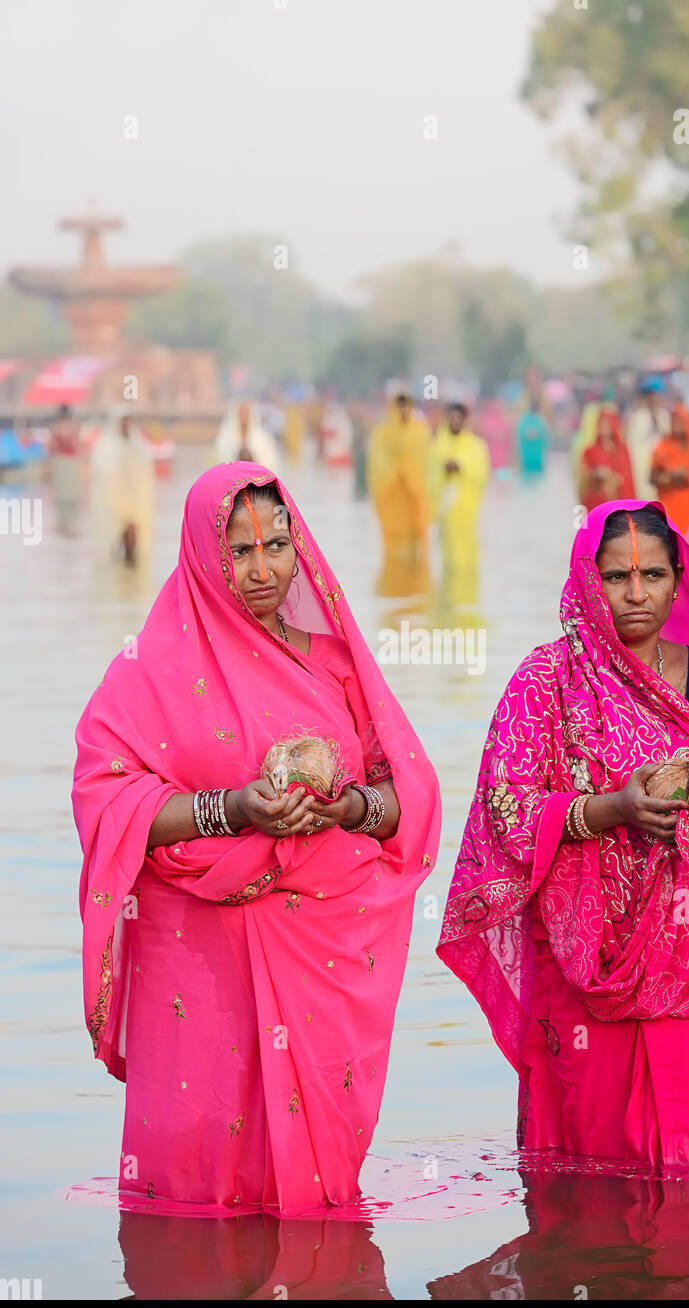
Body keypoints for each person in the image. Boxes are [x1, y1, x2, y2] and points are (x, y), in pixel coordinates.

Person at [72, 463, 440, 1214]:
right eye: (241, 551)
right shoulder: (148, 673)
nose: (264, 567)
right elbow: (104, 797)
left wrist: (345, 810)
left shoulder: (331, 664)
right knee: (197, 1201)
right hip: (199, 962)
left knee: (318, 1210)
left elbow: (409, 794)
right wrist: (233, 810)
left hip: (320, 952)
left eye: (279, 544)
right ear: (207, 557)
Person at [438, 501, 689, 1171]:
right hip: (585, 957)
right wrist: (611, 809)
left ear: (677, 580)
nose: (636, 595)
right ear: (587, 580)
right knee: (594, 1166)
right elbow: (504, 808)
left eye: (653, 575)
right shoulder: (545, 680)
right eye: (616, 578)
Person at [367, 393, 431, 584]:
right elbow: (377, 464)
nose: (403, 410)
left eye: (406, 406)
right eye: (399, 406)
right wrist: (397, 475)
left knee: (417, 553)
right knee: (394, 555)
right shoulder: (382, 433)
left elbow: (427, 463)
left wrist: (410, 476)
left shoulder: (421, 432)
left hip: (415, 500)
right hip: (393, 498)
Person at [429, 403, 490, 603]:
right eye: (451, 418)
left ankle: (466, 603)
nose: (455, 422)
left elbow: (481, 473)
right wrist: (444, 470)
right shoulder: (439, 445)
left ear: (464, 420)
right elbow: (429, 476)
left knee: (467, 561)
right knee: (449, 561)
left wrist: (461, 467)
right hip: (446, 516)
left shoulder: (475, 445)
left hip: (467, 514)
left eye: (458, 418)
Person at [89, 412, 155, 570]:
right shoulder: (106, 446)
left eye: (128, 422)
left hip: (134, 501)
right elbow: (101, 473)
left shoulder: (137, 444)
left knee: (133, 538)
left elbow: (145, 471)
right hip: (114, 502)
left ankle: (130, 571)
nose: (126, 425)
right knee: (115, 539)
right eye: (123, 422)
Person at [650, 404, 689, 531]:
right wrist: (670, 478)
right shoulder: (663, 445)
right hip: (670, 507)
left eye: (680, 420)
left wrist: (688, 477)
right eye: (674, 419)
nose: (676, 424)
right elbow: (652, 478)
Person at [577, 407, 635, 512]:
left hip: (619, 501)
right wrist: (597, 473)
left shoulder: (622, 450)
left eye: (606, 424)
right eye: (601, 423)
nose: (603, 427)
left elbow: (629, 478)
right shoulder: (590, 451)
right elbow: (582, 478)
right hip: (597, 503)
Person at [624, 388, 669, 500]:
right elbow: (633, 440)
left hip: (661, 459)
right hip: (643, 460)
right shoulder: (639, 417)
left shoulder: (664, 415)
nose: (654, 401)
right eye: (652, 398)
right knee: (645, 492)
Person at [48, 404, 84, 535]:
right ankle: (63, 519)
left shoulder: (71, 428)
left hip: (69, 462)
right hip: (62, 462)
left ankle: (69, 519)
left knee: (70, 490)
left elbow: (77, 446)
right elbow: (52, 447)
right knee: (63, 491)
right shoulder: (57, 429)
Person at [215, 401, 280, 472]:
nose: (244, 416)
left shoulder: (263, 439)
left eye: (246, 413)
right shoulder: (225, 438)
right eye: (241, 413)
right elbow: (221, 459)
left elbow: (269, 462)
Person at [516, 401, 549, 476]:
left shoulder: (540, 420)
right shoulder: (525, 419)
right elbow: (522, 432)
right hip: (527, 456)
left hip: (537, 457)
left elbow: (544, 435)